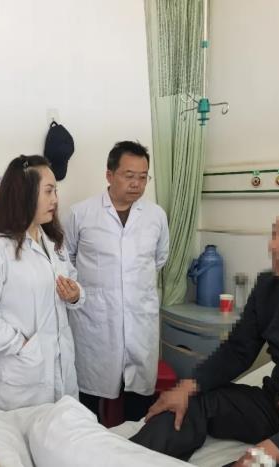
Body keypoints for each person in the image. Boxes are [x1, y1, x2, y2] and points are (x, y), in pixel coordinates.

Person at [131, 203, 279, 467]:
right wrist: (188, 386)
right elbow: (237, 350)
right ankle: (125, 459)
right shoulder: (269, 287)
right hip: (274, 406)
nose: (272, 246)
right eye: (273, 235)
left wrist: (272, 450)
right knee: (190, 401)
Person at [0, 155, 84, 410]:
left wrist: (75, 294)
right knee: (19, 434)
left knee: (60, 429)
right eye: (48, 191)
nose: (55, 200)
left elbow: (72, 279)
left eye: (56, 191)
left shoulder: (53, 242)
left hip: (61, 370)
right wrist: (22, 345)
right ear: (24, 193)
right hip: (20, 378)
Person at [63, 141, 169, 421]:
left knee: (138, 402)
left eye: (143, 177)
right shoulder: (81, 214)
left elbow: (159, 258)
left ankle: (134, 444)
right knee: (87, 402)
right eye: (129, 175)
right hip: (95, 324)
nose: (137, 184)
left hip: (140, 322)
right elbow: (67, 259)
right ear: (109, 175)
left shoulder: (156, 216)